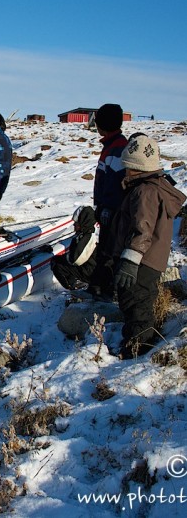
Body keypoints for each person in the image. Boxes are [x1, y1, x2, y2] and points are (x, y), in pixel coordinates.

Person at [111, 133, 186, 359]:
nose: (124, 171)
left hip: (142, 260)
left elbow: (142, 228)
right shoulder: (154, 186)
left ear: (137, 167)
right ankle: (137, 339)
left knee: (135, 302)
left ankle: (137, 347)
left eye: (127, 167)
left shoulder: (145, 191)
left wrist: (130, 261)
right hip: (151, 259)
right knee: (140, 299)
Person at [88, 103, 128, 297]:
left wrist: (107, 208)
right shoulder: (111, 145)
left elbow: (116, 183)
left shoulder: (118, 147)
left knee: (110, 251)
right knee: (104, 248)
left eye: (97, 122)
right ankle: (98, 286)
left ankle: (107, 290)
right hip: (106, 208)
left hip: (113, 211)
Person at [51, 206, 98, 290]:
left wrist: (63, 258)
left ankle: (77, 287)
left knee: (56, 263)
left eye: (76, 223)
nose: (74, 225)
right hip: (92, 269)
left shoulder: (88, 236)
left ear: (82, 222)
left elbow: (76, 260)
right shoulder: (87, 233)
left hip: (91, 272)